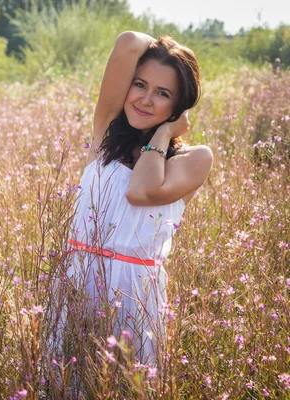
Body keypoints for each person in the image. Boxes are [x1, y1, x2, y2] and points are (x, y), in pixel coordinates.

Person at [65, 31, 213, 368]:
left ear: (179, 107)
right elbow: (130, 41)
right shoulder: (104, 135)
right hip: (77, 281)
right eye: (139, 84)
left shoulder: (194, 159)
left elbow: (140, 191)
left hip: (135, 297)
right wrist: (165, 50)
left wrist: (163, 133)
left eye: (163, 93)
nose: (145, 100)